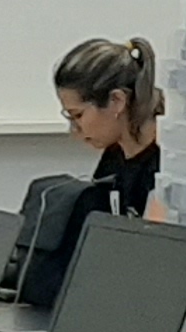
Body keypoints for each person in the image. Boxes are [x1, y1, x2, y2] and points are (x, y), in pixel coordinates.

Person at [54, 34, 162, 216]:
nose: (75, 130)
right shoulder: (114, 155)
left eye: (77, 115)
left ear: (117, 101)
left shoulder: (166, 165)